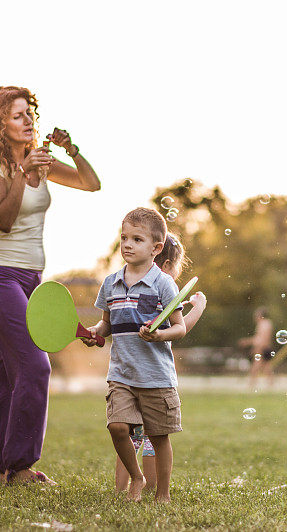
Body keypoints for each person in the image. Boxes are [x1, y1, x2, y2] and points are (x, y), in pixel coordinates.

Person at [0, 86, 101, 485]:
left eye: (29, 114)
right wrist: (24, 177)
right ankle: (21, 467)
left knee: (9, 373)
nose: (27, 122)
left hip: (32, 279)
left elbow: (90, 184)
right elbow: (4, 220)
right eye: (17, 116)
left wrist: (72, 150)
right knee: (35, 365)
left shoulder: (38, 159)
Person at [82, 208, 187, 502]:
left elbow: (179, 328)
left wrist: (160, 334)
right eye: (124, 237)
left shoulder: (164, 283)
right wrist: (95, 333)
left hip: (155, 375)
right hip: (122, 374)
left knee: (158, 436)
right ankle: (137, 477)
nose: (127, 244)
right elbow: (106, 323)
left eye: (137, 239)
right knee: (117, 426)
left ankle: (162, 493)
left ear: (155, 249)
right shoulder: (110, 283)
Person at [112, 232, 206, 494]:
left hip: (129, 374)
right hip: (152, 377)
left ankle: (123, 488)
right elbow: (180, 327)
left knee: (129, 436)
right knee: (154, 436)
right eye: (175, 270)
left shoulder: (133, 288)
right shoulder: (159, 291)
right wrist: (199, 307)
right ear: (165, 267)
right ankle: (150, 485)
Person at [239, 307, 275, 390]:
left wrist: (247, 342)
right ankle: (271, 385)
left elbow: (260, 339)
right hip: (267, 347)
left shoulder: (263, 324)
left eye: (256, 315)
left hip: (262, 348)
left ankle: (251, 385)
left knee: (256, 367)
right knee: (267, 367)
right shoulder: (268, 323)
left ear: (261, 316)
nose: (255, 317)